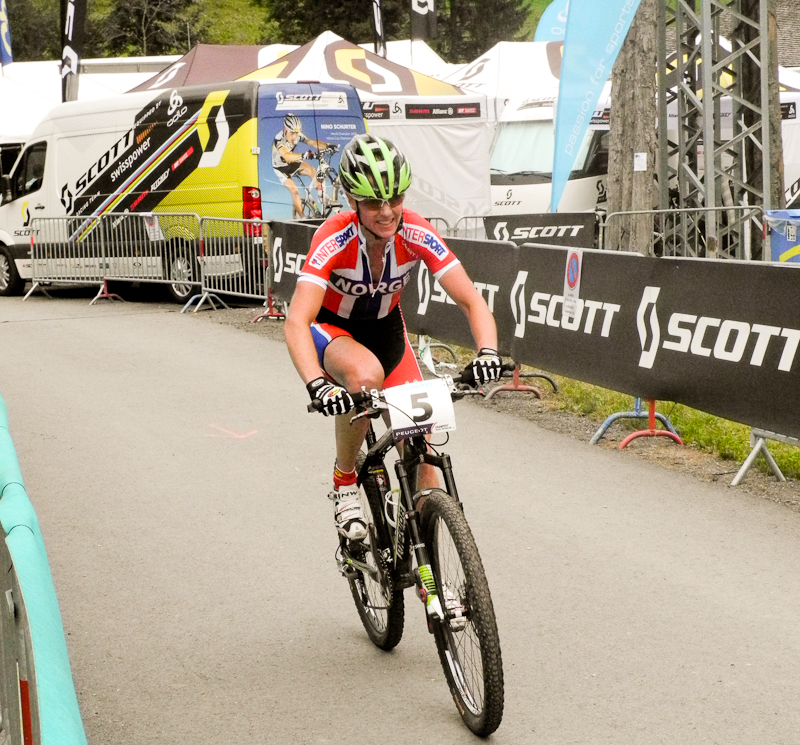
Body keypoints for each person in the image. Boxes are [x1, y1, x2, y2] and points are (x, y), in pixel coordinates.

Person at [284, 133, 502, 542]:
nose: (386, 212)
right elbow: (297, 320)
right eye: (373, 203)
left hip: (387, 332)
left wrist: (488, 351)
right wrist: (316, 384)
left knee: (422, 455)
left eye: (395, 198)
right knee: (364, 377)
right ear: (352, 200)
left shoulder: (415, 230)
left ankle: (423, 558)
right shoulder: (333, 236)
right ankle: (345, 482)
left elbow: (471, 300)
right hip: (333, 330)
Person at [272, 113, 336, 219]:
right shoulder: (279, 139)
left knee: (312, 170)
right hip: (280, 167)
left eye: (296, 133)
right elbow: (286, 156)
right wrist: (303, 155)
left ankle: (323, 197)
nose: (294, 137)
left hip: (292, 163)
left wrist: (328, 146)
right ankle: (303, 218)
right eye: (292, 133)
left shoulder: (297, 135)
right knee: (294, 190)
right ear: (286, 129)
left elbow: (312, 142)